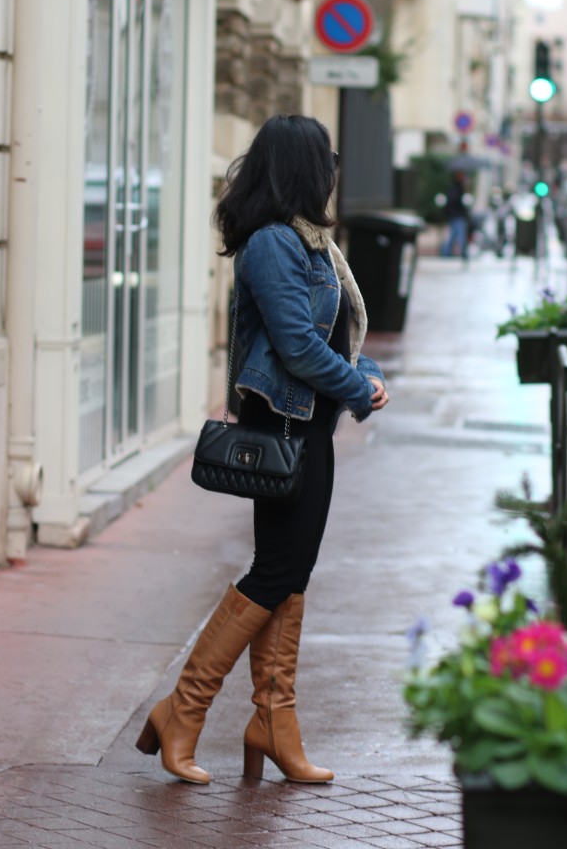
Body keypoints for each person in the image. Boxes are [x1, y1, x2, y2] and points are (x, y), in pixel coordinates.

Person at [136, 114, 388, 786]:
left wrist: (361, 379)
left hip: (309, 424)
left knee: (290, 574)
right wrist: (358, 390)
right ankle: (180, 712)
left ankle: (273, 723)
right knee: (275, 571)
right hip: (285, 425)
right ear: (305, 170)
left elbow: (327, 339)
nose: (333, 171)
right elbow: (296, 345)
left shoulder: (308, 242)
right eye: (325, 162)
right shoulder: (275, 243)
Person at [441, 171, 470, 259]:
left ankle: (446, 252)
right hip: (457, 215)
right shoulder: (456, 188)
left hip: (455, 215)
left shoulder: (456, 188)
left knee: (453, 235)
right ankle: (462, 252)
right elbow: (455, 201)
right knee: (460, 234)